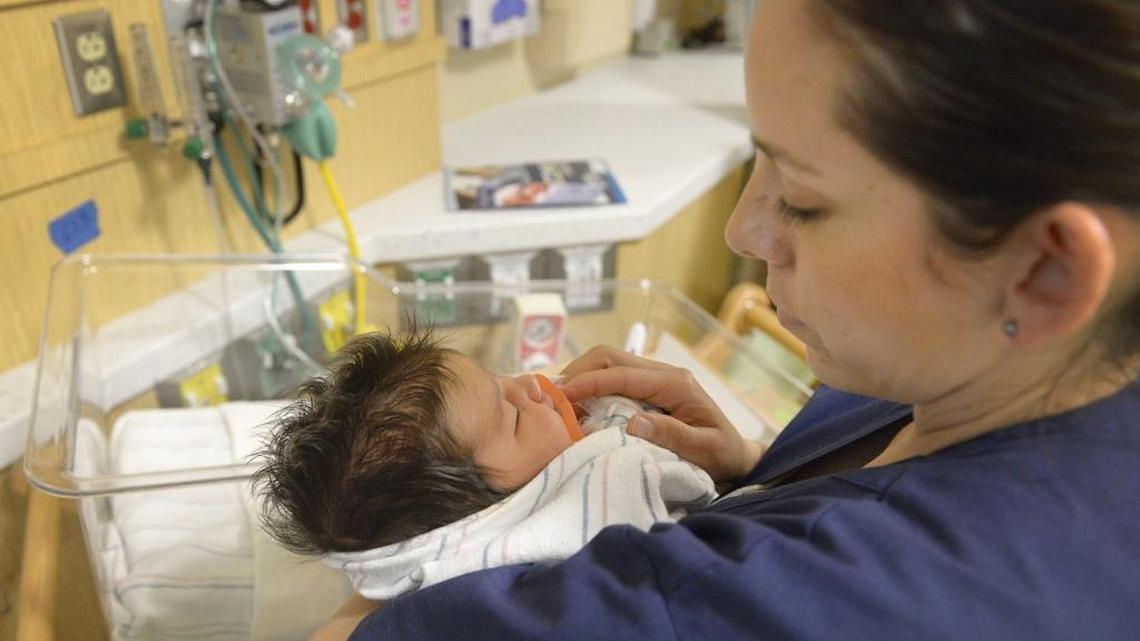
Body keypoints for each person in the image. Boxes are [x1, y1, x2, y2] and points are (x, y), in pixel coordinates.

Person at [315, 1, 1140, 639]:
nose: (742, 231)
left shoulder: (840, 600)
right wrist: (760, 475)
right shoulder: (990, 370)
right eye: (758, 159)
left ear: (1044, 270)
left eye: (803, 199)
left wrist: (408, 537)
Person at [252, 330, 715, 597]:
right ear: (482, 511)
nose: (530, 386)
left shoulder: (536, 449)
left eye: (501, 378)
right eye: (512, 415)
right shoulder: (577, 499)